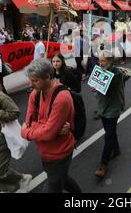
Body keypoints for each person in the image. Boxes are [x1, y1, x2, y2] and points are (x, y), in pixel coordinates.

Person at [21, 60, 81, 193]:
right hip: (44, 151)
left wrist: (26, 133)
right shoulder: (35, 93)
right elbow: (30, 121)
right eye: (30, 80)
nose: (30, 84)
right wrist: (49, 127)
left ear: (48, 77)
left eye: (35, 80)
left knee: (54, 184)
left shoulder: (61, 98)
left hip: (59, 153)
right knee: (62, 178)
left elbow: (47, 133)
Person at [94, 52, 125, 178]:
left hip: (113, 107)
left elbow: (105, 87)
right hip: (103, 106)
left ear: (110, 61)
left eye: (103, 61)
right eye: (99, 61)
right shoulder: (100, 69)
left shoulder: (116, 73)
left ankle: (103, 164)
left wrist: (96, 84)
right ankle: (116, 149)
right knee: (109, 131)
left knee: (108, 136)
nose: (101, 63)